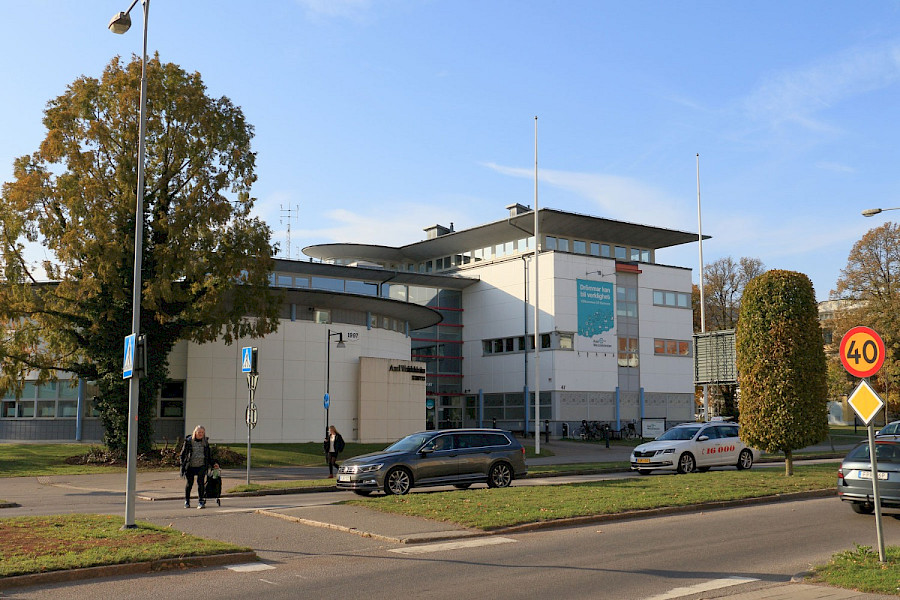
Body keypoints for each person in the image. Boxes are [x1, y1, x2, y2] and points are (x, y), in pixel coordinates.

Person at [180, 425, 212, 509]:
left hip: (201, 465)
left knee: (201, 483)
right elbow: (182, 454)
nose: (201, 434)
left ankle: (201, 501)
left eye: (202, 432)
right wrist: (183, 464)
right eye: (199, 432)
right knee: (189, 483)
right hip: (190, 466)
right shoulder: (189, 441)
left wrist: (213, 464)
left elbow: (208, 454)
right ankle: (187, 501)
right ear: (195, 432)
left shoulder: (205, 442)